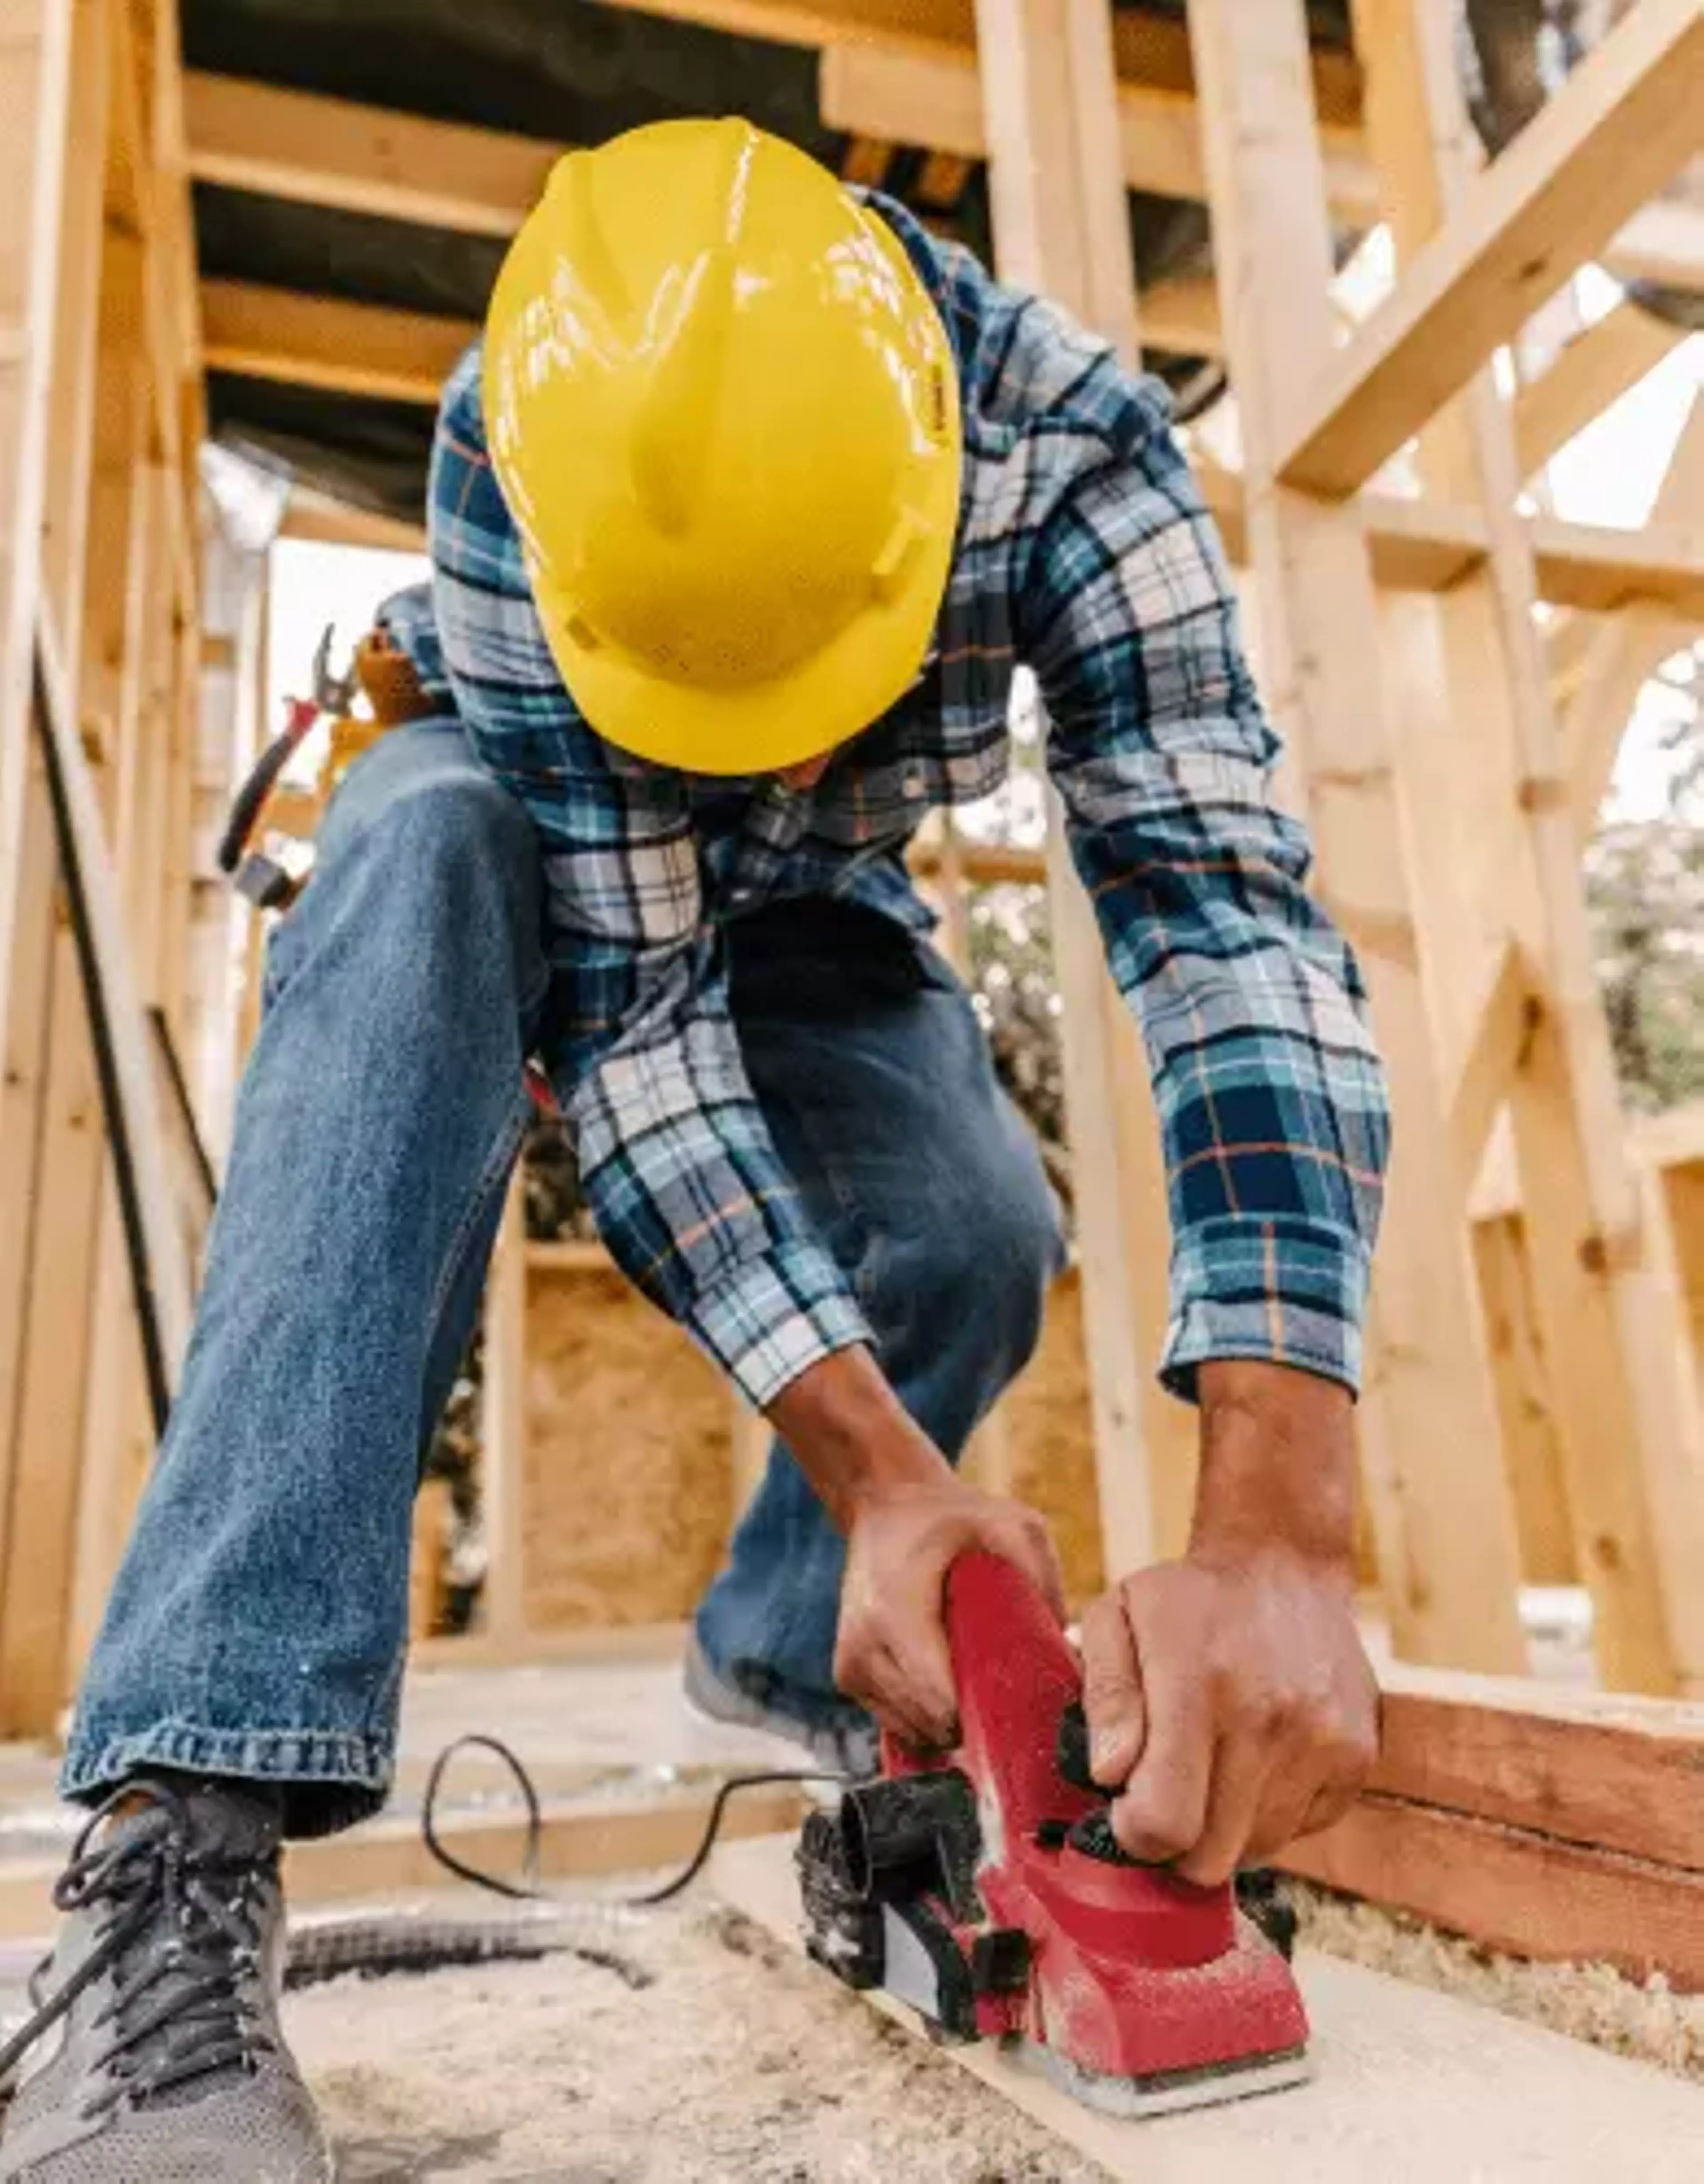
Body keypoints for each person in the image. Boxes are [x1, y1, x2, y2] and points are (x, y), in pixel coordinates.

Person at [0, 116, 1387, 2180]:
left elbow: (1220, 918)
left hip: (821, 905)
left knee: (972, 1220)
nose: (807, 740)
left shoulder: (1075, 449)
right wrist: (888, 1471)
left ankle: (782, 1639)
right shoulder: (512, 449)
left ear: (938, 461)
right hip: (552, 835)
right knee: (419, 866)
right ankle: (178, 1822)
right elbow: (635, 1035)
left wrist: (1281, 1517)